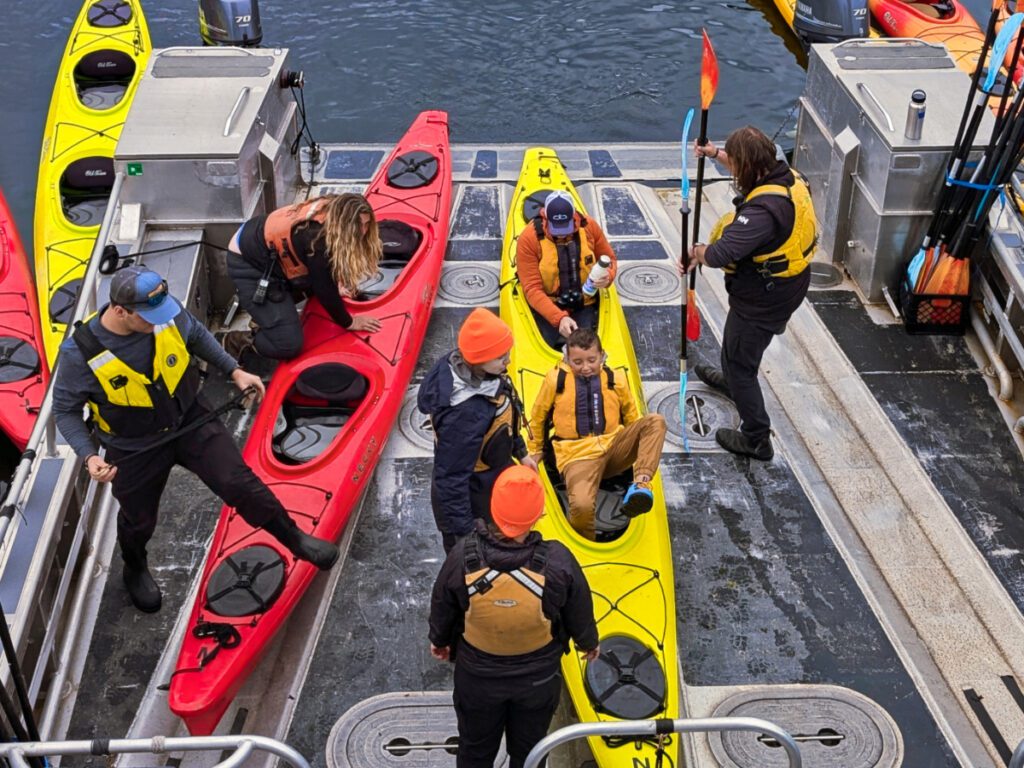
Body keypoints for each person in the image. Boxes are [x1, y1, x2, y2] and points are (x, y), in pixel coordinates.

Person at [52, 266, 340, 614]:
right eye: (148, 317)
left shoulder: (163, 312)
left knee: (239, 482)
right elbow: (66, 411)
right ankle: (135, 567)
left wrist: (234, 370)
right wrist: (88, 456)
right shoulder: (78, 355)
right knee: (138, 519)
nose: (159, 321)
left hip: (190, 420)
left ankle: (295, 539)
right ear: (119, 311)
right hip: (134, 447)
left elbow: (197, 335)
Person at [428, 465, 599, 768]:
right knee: (530, 751)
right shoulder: (558, 561)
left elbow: (443, 603)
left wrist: (439, 641)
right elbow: (579, 607)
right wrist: (588, 643)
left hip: (477, 678)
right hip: (538, 679)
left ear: (493, 508)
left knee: (475, 750)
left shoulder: (461, 556)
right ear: (538, 514)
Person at [685, 126, 817, 461]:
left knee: (742, 363)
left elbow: (720, 254)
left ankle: (757, 438)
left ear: (750, 167)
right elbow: (746, 163)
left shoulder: (761, 213)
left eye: (735, 163)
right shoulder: (786, 176)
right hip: (783, 287)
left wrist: (696, 252)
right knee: (737, 351)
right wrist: (715, 154)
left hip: (763, 300)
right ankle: (731, 379)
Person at [526, 328, 666, 540]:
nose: (585, 367)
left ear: (601, 355)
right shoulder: (556, 380)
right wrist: (535, 452)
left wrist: (638, 444)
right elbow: (537, 417)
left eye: (592, 360)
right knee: (581, 506)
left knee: (656, 421)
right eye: (577, 362)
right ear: (567, 359)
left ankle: (640, 484)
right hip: (577, 456)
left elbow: (631, 417)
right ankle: (588, 541)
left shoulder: (615, 378)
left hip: (614, 447)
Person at [418, 308, 538, 554]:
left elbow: (508, 411)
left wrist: (521, 452)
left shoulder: (483, 374)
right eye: (501, 357)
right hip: (476, 498)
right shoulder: (465, 415)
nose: (508, 362)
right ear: (477, 360)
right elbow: (450, 480)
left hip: (492, 476)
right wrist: (466, 538)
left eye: (507, 354)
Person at [224, 192, 384, 360]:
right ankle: (237, 341)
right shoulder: (317, 239)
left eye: (367, 224)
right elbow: (323, 287)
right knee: (289, 346)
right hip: (249, 264)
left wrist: (338, 284)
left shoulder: (335, 213)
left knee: (321, 281)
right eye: (358, 225)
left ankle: (267, 316)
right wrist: (349, 322)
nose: (364, 231)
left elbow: (324, 271)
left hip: (273, 255)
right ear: (345, 222)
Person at [516, 190, 617, 348]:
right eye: (556, 228)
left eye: (566, 227)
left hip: (585, 301)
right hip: (548, 304)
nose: (562, 234)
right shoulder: (528, 239)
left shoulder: (590, 227)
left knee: (588, 347)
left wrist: (608, 277)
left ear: (574, 217)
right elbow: (532, 289)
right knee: (545, 345)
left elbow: (609, 259)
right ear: (545, 218)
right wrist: (559, 318)